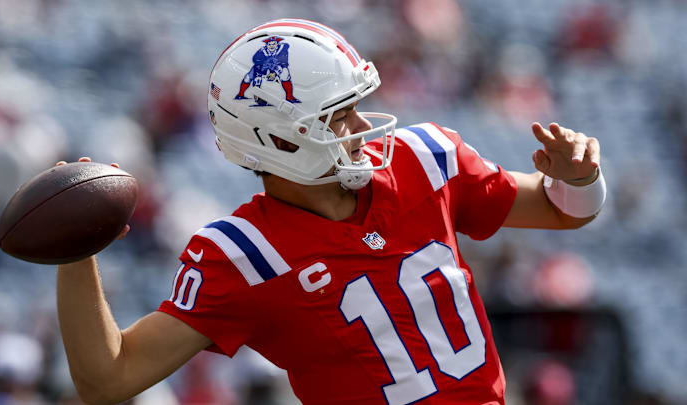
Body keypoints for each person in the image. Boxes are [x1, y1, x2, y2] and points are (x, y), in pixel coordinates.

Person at [56, 19, 606, 405]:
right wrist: (74, 253)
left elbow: (564, 211)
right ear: (279, 141)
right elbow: (109, 378)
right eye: (339, 117)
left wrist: (578, 177)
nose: (363, 129)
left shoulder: (423, 160)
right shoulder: (243, 255)